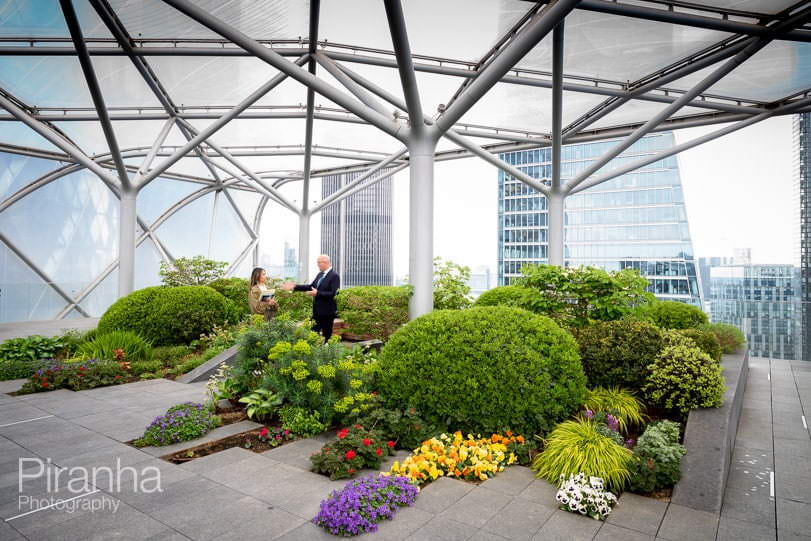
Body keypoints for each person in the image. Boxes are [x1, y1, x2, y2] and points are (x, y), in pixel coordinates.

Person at [281, 255, 340, 340]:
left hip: (327, 312)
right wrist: (294, 287)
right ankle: (314, 351)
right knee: (312, 334)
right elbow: (311, 286)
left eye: (319, 262)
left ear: (326, 262)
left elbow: (334, 293)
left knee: (326, 335)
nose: (318, 265)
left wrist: (317, 293)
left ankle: (326, 351)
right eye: (317, 262)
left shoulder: (334, 276)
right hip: (317, 312)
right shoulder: (320, 275)